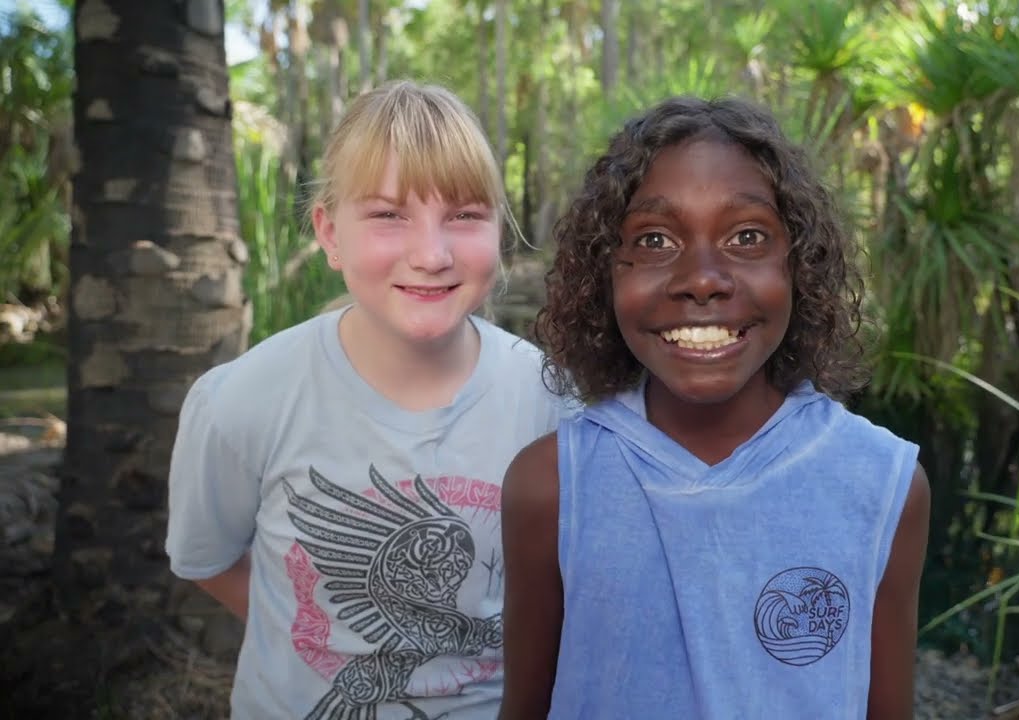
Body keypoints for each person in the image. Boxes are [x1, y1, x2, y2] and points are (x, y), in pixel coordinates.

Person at [499, 97, 931, 720]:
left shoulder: (884, 486)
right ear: (603, 275)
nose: (702, 278)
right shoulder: (552, 487)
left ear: (801, 266)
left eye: (747, 236)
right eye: (654, 239)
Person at [166, 80, 570, 719]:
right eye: (387, 215)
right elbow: (208, 560)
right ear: (329, 233)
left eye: (465, 215)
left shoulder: (552, 400)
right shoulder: (242, 401)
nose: (431, 254)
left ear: (500, 230)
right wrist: (315, 633)